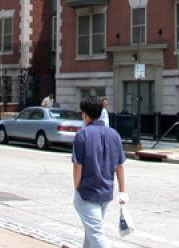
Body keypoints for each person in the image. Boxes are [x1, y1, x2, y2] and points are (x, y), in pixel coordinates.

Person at [72, 96, 127, 247]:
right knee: (91, 233)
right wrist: (123, 192)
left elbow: (78, 166)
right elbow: (120, 166)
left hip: (87, 192)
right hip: (106, 192)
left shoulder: (82, 135)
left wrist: (76, 188)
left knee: (95, 233)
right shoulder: (114, 134)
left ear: (85, 114)